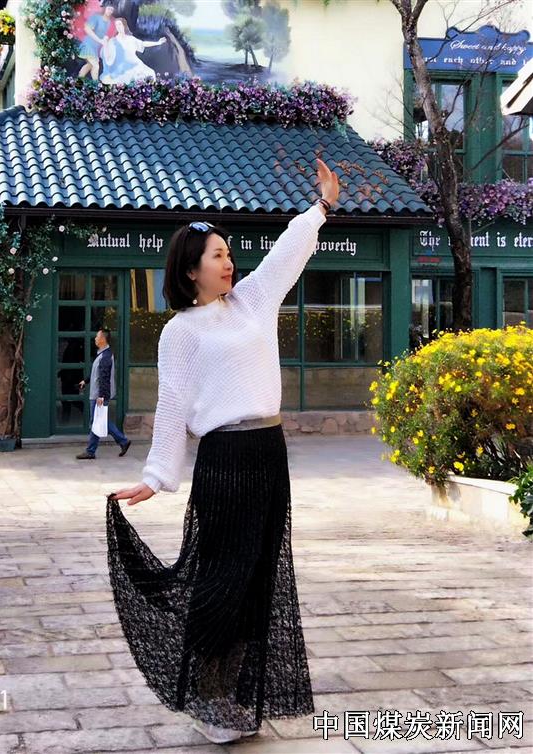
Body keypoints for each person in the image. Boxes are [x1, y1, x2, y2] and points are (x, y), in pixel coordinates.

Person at [107, 158, 339, 744]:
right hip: (226, 461)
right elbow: (172, 404)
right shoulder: (181, 332)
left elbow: (287, 253)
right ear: (191, 270)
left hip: (269, 454)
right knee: (222, 579)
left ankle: (230, 692)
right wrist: (156, 475)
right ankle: (206, 697)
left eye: (230, 253)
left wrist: (322, 207)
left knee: (259, 576)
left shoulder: (252, 301)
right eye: (217, 255)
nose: (229, 261)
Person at [76, 328, 131, 460]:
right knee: (99, 421)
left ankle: (91, 451)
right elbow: (96, 372)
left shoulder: (105, 356)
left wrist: (101, 396)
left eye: (97, 336)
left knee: (96, 421)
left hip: (98, 396)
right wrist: (86, 381)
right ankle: (123, 441)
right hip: (98, 394)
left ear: (103, 339)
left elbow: (104, 378)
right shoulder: (102, 354)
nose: (95, 338)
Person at [100, 17, 166, 84]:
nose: (118, 26)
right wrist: (105, 45)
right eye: (116, 25)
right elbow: (107, 56)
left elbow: (143, 44)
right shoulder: (113, 41)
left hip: (135, 64)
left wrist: (158, 43)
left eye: (119, 24)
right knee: (122, 80)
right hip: (121, 68)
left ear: (124, 25)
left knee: (150, 73)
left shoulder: (131, 39)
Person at [77, 2, 115, 81]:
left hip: (95, 48)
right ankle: (95, 85)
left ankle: (78, 83)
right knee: (96, 66)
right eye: (108, 9)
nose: (110, 11)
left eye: (112, 10)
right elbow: (87, 29)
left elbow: (106, 37)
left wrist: (105, 41)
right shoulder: (96, 17)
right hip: (88, 44)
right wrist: (99, 40)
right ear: (104, 8)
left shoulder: (109, 23)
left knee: (89, 65)